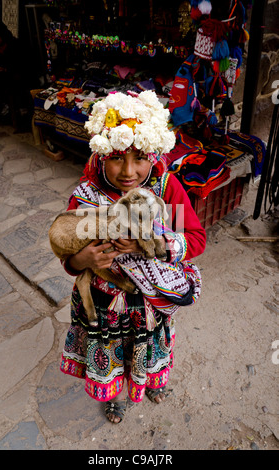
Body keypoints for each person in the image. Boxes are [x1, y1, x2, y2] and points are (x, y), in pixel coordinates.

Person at [59, 90, 206, 423]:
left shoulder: (167, 188)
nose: (128, 171)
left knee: (150, 347)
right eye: (117, 158)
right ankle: (111, 397)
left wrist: (149, 245)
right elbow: (68, 255)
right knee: (110, 354)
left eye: (139, 157)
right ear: (101, 155)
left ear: (153, 155)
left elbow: (196, 239)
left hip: (150, 303)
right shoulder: (86, 197)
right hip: (102, 303)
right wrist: (84, 260)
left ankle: (149, 382)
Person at [0, 18, 31, 130]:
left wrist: (6, 69)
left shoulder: (13, 43)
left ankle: (21, 109)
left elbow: (20, 63)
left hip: (14, 75)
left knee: (19, 80)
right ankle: (5, 107)